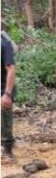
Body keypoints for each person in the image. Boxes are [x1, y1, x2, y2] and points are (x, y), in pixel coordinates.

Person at [1, 24, 17, 161]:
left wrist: (7, 94)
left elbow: (11, 69)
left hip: (3, 88)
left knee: (5, 120)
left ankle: (7, 150)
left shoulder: (4, 45)